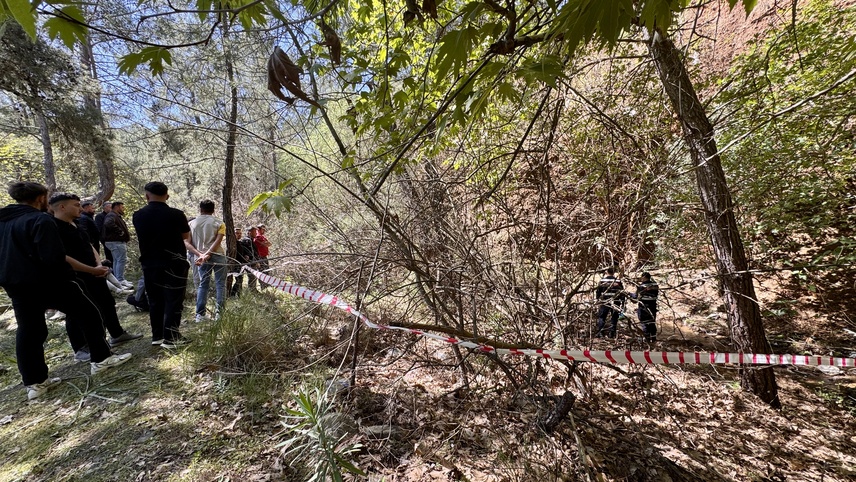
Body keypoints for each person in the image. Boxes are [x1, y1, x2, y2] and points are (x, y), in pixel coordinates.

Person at [0, 182, 132, 400]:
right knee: (90, 314)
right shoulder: (40, 219)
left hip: (16, 285)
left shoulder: (3, 221)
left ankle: (35, 383)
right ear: (42, 198)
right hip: (50, 281)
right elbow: (54, 257)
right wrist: (89, 271)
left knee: (29, 331)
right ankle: (101, 359)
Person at [49, 193, 142, 356]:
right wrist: (91, 269)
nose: (81, 208)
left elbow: (90, 246)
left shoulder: (77, 223)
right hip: (76, 276)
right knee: (78, 312)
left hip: (95, 273)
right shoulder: (52, 227)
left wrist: (99, 265)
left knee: (107, 304)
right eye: (76, 205)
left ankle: (117, 334)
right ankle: (82, 348)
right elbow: (61, 256)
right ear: (62, 207)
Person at [132, 182, 192, 348]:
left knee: (155, 299)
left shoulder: (138, 215)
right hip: (174, 263)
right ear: (167, 196)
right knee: (174, 299)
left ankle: (157, 335)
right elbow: (185, 236)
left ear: (146, 196)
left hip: (150, 263)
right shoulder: (177, 214)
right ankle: (171, 336)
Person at [186, 200, 226, 322]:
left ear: (200, 209)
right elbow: (218, 242)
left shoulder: (191, 224)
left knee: (203, 285)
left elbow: (186, 242)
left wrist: (201, 255)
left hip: (200, 258)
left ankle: (200, 315)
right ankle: (220, 313)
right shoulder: (219, 223)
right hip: (218, 255)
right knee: (220, 284)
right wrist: (208, 254)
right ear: (213, 210)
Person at [101, 201, 132, 287]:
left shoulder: (114, 215)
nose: (123, 209)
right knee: (121, 260)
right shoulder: (112, 215)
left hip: (114, 242)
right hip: (116, 241)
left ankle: (118, 279)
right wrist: (120, 232)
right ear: (117, 207)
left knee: (117, 260)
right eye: (122, 207)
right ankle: (120, 280)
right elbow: (108, 223)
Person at [595, 267, 625, 338]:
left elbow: (598, 292)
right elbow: (622, 292)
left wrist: (598, 299)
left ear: (606, 272)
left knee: (602, 317)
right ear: (613, 272)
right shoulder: (618, 281)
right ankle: (612, 333)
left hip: (605, 301)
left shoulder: (602, 280)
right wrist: (622, 301)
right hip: (616, 301)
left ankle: (600, 333)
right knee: (614, 317)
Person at [630, 272, 659, 342]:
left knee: (644, 322)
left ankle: (647, 338)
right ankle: (653, 338)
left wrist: (629, 294)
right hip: (653, 306)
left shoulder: (642, 286)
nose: (641, 279)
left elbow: (635, 297)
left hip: (644, 307)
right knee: (652, 322)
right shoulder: (655, 285)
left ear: (644, 277)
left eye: (642, 277)